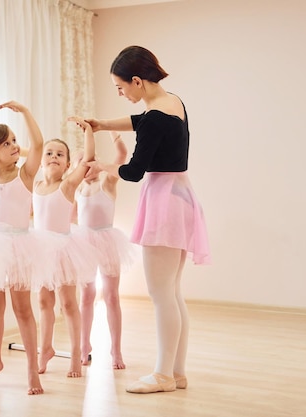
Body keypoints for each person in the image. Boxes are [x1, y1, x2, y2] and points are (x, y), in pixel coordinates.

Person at [80, 45, 211, 394]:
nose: (121, 94)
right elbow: (143, 123)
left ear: (137, 81)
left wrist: (103, 166)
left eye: (121, 88)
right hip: (180, 195)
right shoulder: (172, 102)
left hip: (164, 202)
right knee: (171, 292)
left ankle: (163, 375)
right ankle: (176, 372)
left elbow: (135, 171)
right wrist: (103, 123)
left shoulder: (155, 116)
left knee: (159, 293)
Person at [0, 101, 44, 395]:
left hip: (19, 246)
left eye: (15, 141)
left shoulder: (25, 174)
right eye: (7, 143)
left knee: (23, 308)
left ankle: (32, 369)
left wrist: (26, 112)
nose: (15, 146)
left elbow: (38, 144)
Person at [33, 118, 98, 378]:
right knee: (43, 301)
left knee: (69, 303)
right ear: (40, 161)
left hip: (63, 250)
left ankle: (75, 354)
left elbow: (88, 159)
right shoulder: (35, 186)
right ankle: (45, 348)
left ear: (68, 164)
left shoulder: (67, 185)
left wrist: (89, 132)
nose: (54, 157)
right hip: (40, 249)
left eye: (60, 154)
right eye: (49, 153)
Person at [74, 131, 138, 370]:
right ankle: (84, 346)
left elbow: (122, 155)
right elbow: (69, 218)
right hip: (83, 245)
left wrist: (114, 134)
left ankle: (116, 350)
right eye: (82, 164)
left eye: (91, 162)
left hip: (108, 241)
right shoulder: (78, 191)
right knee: (87, 297)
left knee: (111, 296)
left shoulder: (107, 182)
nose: (87, 168)